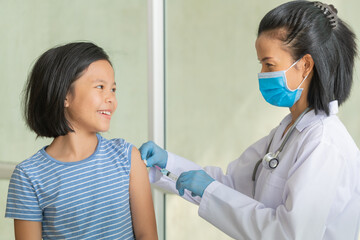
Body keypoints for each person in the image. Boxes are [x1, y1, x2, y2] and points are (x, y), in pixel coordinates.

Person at [139, 1, 360, 239]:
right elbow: (230, 184)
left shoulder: (324, 143)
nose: (263, 75)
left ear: (305, 65)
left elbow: (290, 234)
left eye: (269, 64)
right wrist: (164, 165)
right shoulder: (287, 131)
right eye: (261, 64)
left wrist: (210, 190)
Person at [5, 42, 158, 240]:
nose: (111, 98)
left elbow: (148, 235)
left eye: (113, 89)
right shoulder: (28, 176)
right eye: (100, 87)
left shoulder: (128, 157)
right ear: (65, 96)